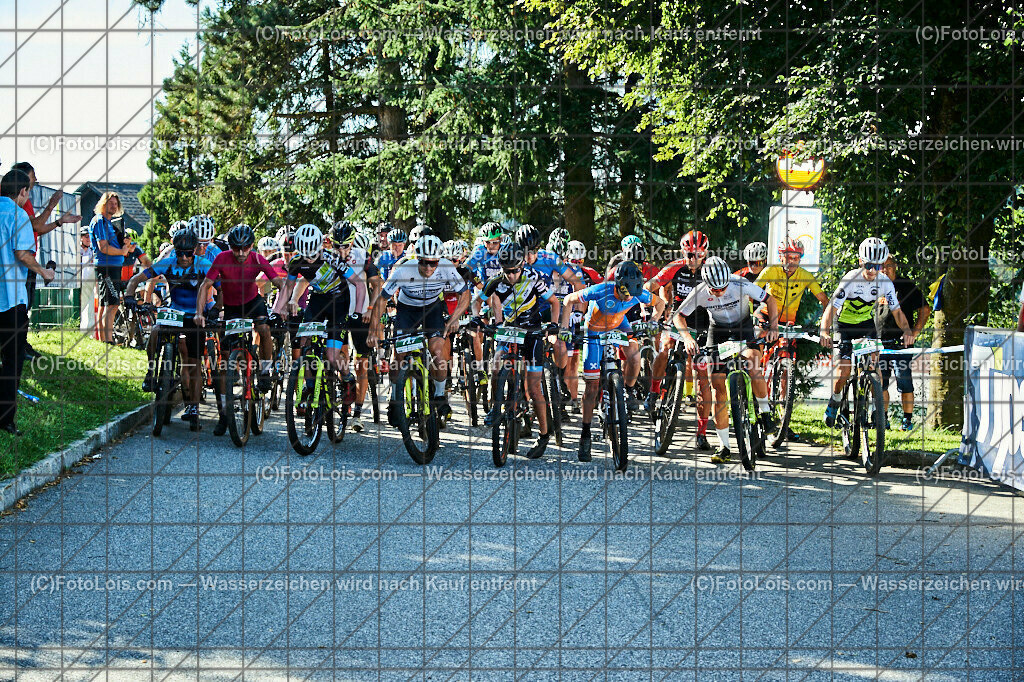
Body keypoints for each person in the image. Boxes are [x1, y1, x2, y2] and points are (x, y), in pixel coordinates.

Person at [672, 256, 778, 463]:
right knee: (717, 386)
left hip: (743, 327)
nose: (720, 292)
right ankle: (724, 446)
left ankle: (765, 412)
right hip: (718, 331)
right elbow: (678, 316)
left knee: (752, 363)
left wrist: (773, 326)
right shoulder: (700, 291)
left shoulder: (740, 283)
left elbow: (770, 300)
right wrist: (686, 338)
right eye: (715, 289)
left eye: (723, 287)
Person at [559, 261, 665, 462]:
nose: (628, 297)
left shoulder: (636, 291)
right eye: (624, 292)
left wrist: (653, 322)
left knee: (634, 356)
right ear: (617, 284)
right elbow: (569, 300)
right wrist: (565, 328)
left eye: (631, 294)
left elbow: (660, 304)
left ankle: (626, 391)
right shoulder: (601, 289)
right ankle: (585, 434)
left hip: (619, 324)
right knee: (591, 387)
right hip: (594, 329)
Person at [195, 223, 287, 436]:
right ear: (230, 247)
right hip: (233, 308)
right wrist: (199, 313)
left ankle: (264, 370)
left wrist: (280, 308)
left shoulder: (257, 259)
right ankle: (224, 414)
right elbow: (205, 286)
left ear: (252, 246)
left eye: (245, 248)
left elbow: (281, 285)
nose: (241, 253)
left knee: (264, 329)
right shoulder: (221, 258)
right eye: (236, 248)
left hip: (253, 303)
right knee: (225, 359)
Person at [368, 235, 471, 424]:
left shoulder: (447, 267)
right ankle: (394, 398)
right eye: (424, 263)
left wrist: (452, 320)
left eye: (433, 263)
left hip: (432, 309)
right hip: (407, 310)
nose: (429, 268)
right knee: (399, 356)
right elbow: (382, 299)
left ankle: (440, 396)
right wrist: (373, 330)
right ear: (417, 259)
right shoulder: (403, 269)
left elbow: (465, 294)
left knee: (439, 353)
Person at [820, 238, 916, 428]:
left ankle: (876, 410)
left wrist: (907, 330)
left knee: (875, 367)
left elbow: (897, 312)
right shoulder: (850, 280)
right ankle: (835, 399)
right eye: (869, 265)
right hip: (844, 325)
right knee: (844, 371)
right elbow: (831, 309)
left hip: (866, 324)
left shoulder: (885, 283)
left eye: (878, 266)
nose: (873, 270)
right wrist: (825, 331)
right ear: (861, 261)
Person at [125, 227, 213, 426]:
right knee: (155, 330)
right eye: (179, 253)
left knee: (193, 363)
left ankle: (193, 406)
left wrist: (217, 309)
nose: (183, 258)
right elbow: (136, 279)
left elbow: (220, 284)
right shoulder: (167, 263)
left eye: (188, 253)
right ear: (175, 250)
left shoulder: (204, 265)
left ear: (195, 250)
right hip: (174, 311)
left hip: (195, 315)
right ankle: (150, 371)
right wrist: (129, 296)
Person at [482, 241, 561, 458]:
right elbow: (478, 301)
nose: (511, 275)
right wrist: (478, 319)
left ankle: (544, 434)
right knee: (497, 364)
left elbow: (554, 302)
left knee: (534, 389)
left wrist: (554, 325)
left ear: (522, 266)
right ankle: (495, 406)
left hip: (532, 333)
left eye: (515, 270)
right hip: (509, 331)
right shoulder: (496, 282)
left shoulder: (534, 278)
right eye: (507, 271)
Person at [646, 230, 713, 449]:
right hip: (677, 320)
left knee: (703, 376)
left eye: (699, 255)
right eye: (690, 254)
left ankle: (701, 433)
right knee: (665, 347)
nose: (694, 259)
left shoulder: (710, 271)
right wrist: (652, 307)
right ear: (683, 252)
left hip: (702, 326)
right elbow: (650, 286)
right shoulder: (675, 267)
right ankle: (654, 392)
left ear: (705, 254)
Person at [0, 169, 54, 436]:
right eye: (28, 191)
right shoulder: (18, 215)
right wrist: (44, 271)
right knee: (12, 360)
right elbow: (22, 253)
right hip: (10, 300)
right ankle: (5, 419)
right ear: (22, 191)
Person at [10, 162, 80, 356]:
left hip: (27, 260)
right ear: (23, 180)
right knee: (19, 305)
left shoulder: (24, 201)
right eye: (33, 176)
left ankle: (20, 345)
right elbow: (36, 225)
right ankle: (16, 348)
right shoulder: (17, 203)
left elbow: (37, 229)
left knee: (26, 303)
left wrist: (58, 222)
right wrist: (51, 207)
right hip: (21, 261)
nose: (36, 179)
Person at [877, 256, 931, 430]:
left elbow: (925, 309)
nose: (885, 270)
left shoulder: (906, 285)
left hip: (902, 342)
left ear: (896, 267)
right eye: (881, 267)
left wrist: (915, 332)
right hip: (878, 342)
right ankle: (882, 420)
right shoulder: (873, 286)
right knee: (880, 382)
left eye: (889, 266)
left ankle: (907, 421)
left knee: (904, 381)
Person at [89, 192, 130, 344]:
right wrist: (122, 252)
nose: (113, 206)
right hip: (107, 267)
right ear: (103, 204)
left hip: (112, 266)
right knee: (111, 304)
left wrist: (125, 243)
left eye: (115, 203)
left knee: (104, 303)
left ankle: (102, 339)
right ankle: (107, 340)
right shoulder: (100, 221)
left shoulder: (110, 222)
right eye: (110, 203)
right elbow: (103, 247)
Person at [79, 226, 96, 332]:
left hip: (89, 283)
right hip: (78, 283)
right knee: (79, 307)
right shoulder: (77, 250)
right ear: (80, 237)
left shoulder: (92, 251)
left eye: (90, 236)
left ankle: (89, 333)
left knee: (90, 309)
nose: (88, 239)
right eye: (86, 236)